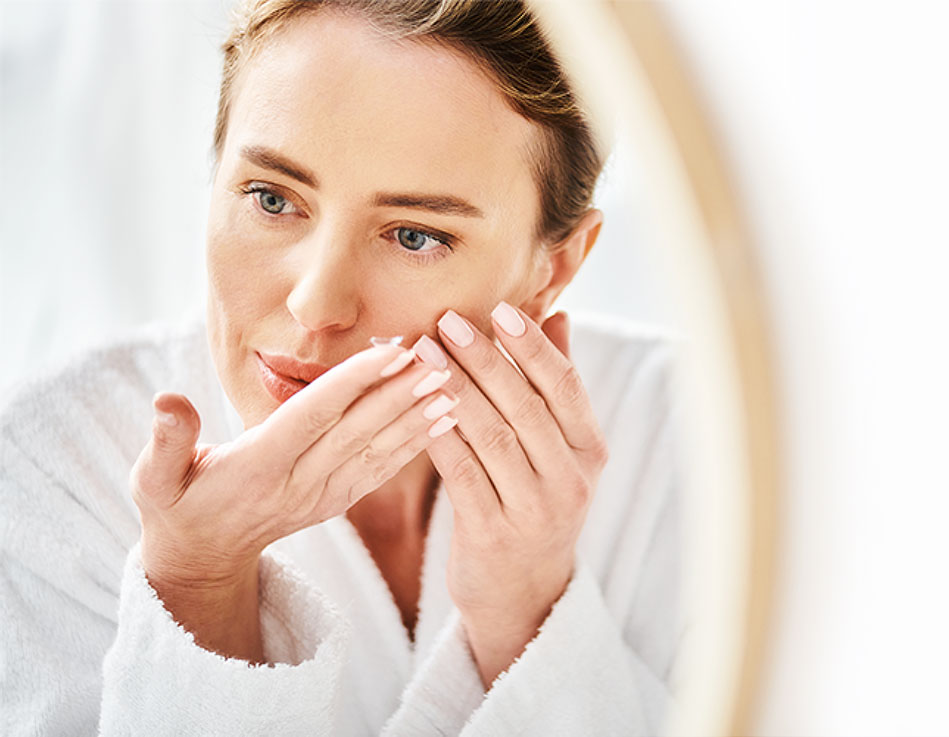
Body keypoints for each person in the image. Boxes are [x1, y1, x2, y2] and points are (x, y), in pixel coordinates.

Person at [0, 1, 682, 734]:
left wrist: (528, 605)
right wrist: (197, 586)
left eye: (415, 235)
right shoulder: (52, 463)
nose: (316, 301)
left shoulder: (695, 444)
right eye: (271, 198)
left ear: (552, 267)